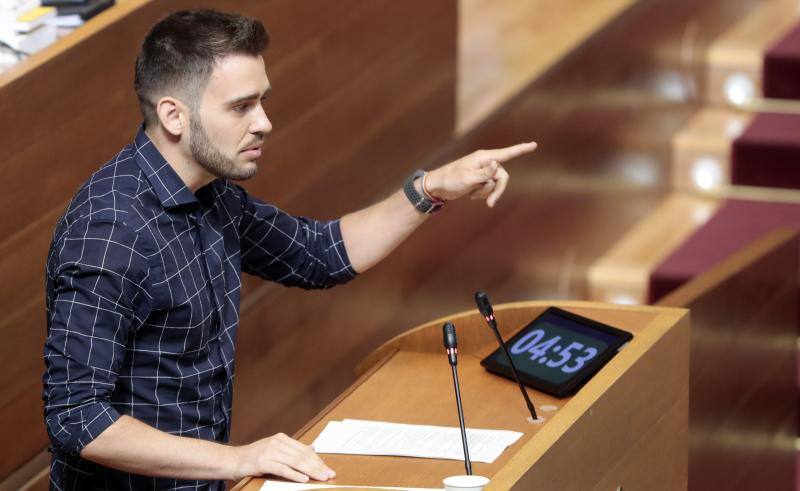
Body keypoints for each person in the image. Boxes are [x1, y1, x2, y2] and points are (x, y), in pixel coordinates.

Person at [42, 8, 537, 490]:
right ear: (174, 115)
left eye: (262, 101)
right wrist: (238, 459)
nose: (264, 123)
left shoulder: (212, 196)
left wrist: (431, 188)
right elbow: (77, 415)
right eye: (241, 106)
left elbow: (319, 254)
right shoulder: (109, 233)